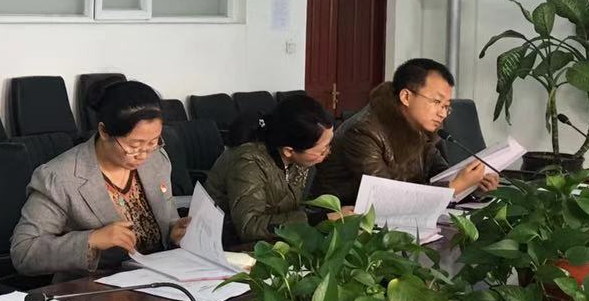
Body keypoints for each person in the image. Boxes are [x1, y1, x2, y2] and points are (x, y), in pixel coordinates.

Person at [11, 78, 189, 281]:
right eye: (134, 145)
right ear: (104, 131)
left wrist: (174, 232)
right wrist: (92, 240)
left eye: (153, 142)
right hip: (97, 288)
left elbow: (166, 221)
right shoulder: (59, 177)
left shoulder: (156, 159)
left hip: (162, 280)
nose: (143, 155)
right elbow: (24, 252)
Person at [315, 57, 498, 204]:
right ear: (406, 97)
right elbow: (385, 198)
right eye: (436, 102)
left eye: (446, 106)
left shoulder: (421, 128)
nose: (442, 113)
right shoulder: (363, 132)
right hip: (346, 226)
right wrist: (455, 187)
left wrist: (473, 187)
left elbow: (440, 176)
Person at [204, 94, 339, 244]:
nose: (328, 152)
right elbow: (249, 226)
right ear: (289, 151)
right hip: (228, 243)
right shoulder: (249, 162)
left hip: (276, 241)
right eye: (322, 150)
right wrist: (317, 220)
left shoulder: (299, 159)